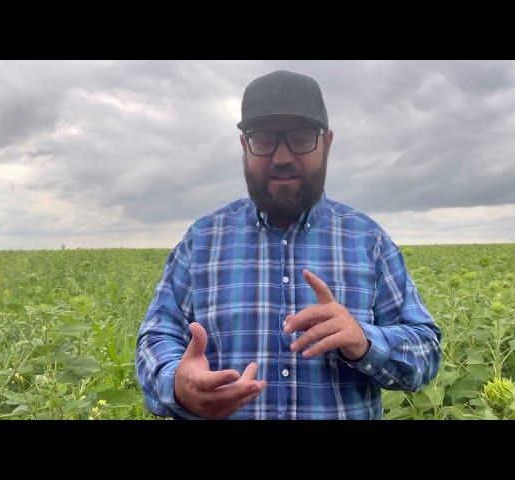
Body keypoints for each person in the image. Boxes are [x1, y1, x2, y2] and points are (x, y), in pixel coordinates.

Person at [135, 70, 441, 420]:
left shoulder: (367, 241)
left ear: (326, 143)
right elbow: (155, 337)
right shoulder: (202, 241)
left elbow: (426, 351)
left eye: (300, 138)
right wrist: (178, 383)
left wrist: (364, 341)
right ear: (244, 146)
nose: (281, 156)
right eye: (263, 140)